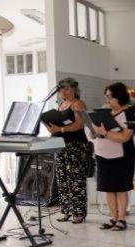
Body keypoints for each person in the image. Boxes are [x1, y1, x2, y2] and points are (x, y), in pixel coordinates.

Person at [43, 78, 88, 224]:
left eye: (67, 89)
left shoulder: (78, 104)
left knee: (75, 179)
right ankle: (67, 210)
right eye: (61, 89)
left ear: (74, 90)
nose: (63, 91)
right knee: (62, 179)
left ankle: (79, 213)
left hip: (75, 145)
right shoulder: (62, 104)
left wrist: (60, 129)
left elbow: (80, 125)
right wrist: (51, 128)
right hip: (60, 145)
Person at [93, 82, 135, 231]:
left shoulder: (130, 113)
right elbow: (96, 132)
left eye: (111, 97)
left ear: (120, 96)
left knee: (120, 187)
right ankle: (113, 217)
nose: (108, 100)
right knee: (108, 188)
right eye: (107, 97)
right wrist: (95, 130)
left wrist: (105, 133)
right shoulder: (105, 113)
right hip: (103, 154)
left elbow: (125, 137)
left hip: (122, 155)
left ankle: (122, 219)